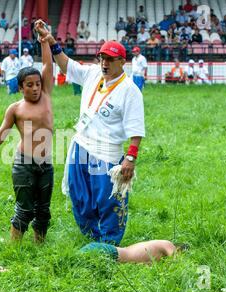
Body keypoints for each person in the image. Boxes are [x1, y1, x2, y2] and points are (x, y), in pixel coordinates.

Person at [36, 22, 145, 245]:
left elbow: (136, 129)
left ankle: (109, 244)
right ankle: (91, 237)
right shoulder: (93, 74)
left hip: (106, 152)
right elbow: (67, 66)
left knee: (108, 200)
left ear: (122, 62)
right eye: (101, 58)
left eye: (110, 59)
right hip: (81, 146)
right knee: (80, 196)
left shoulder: (130, 90)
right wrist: (51, 41)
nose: (104, 63)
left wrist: (130, 158)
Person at [0, 23, 54, 243]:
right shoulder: (15, 108)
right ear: (21, 87)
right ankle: (14, 249)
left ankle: (40, 247)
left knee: (43, 211)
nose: (36, 88)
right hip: (24, 164)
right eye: (30, 85)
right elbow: (2, 133)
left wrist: (45, 39)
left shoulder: (46, 95)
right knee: (25, 209)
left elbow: (48, 64)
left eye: (38, 84)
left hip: (46, 163)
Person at [80, 240, 182, 264]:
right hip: (110, 252)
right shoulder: (168, 244)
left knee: (73, 262)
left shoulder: (158, 250)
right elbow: (177, 262)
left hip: (109, 251)